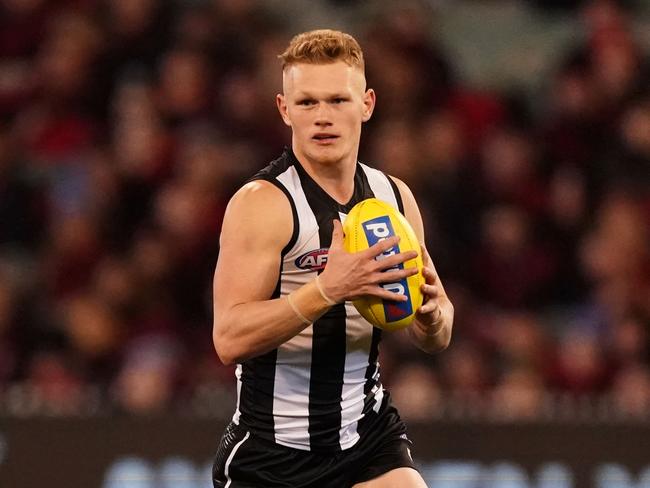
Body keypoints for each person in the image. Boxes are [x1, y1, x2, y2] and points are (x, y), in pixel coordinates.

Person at [211, 29, 454, 488]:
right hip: (272, 453)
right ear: (285, 110)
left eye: (338, 100)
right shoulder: (262, 205)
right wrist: (327, 289)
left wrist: (432, 316)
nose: (323, 117)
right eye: (307, 103)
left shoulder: (395, 199)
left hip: (367, 436)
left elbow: (435, 334)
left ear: (367, 104)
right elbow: (228, 337)